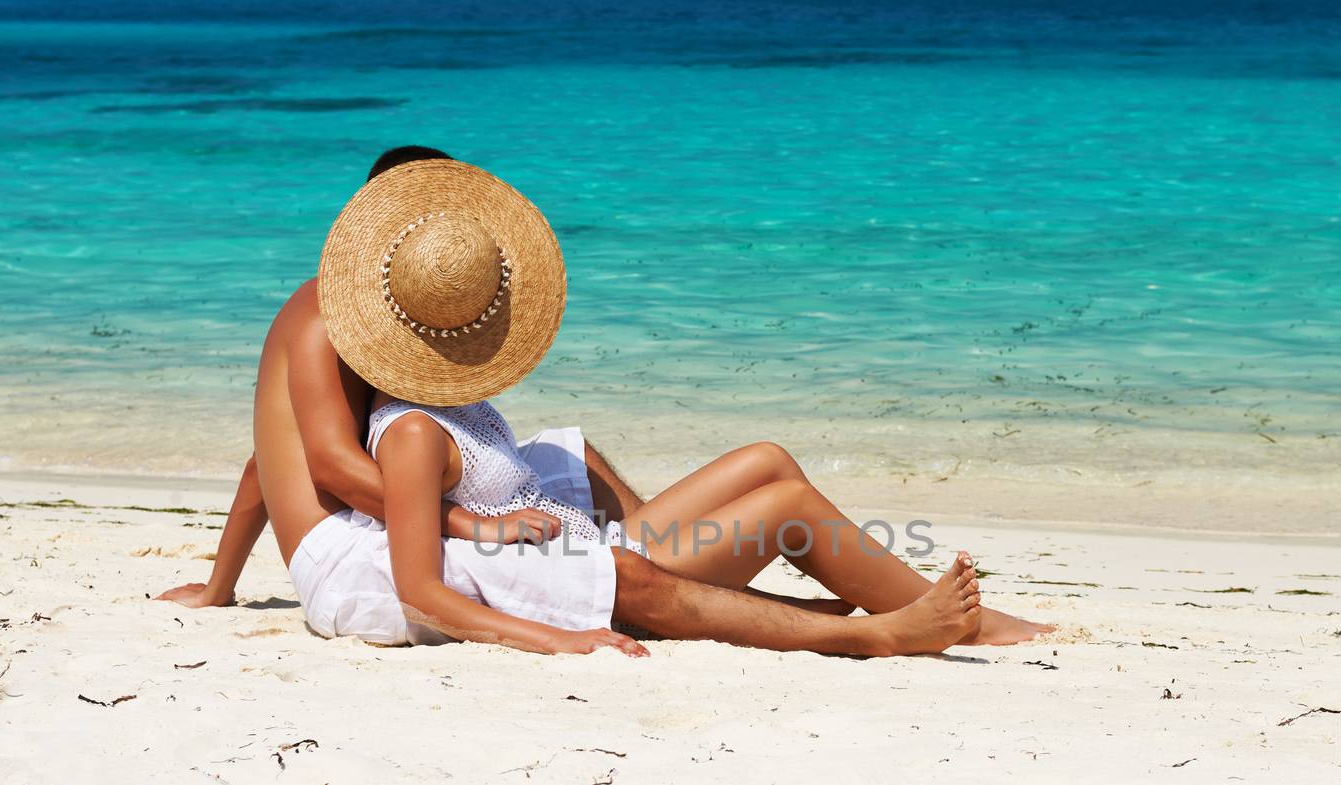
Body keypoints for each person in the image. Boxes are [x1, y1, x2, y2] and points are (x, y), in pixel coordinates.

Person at [160, 147, 1046, 655]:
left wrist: (221, 585)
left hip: (399, 523)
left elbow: (261, 464)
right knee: (734, 530)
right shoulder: (323, 324)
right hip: (360, 550)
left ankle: (886, 606)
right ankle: (922, 625)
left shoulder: (392, 355)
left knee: (754, 465)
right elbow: (322, 466)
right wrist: (479, 529)